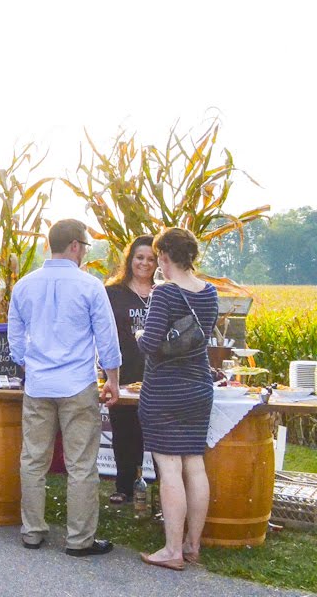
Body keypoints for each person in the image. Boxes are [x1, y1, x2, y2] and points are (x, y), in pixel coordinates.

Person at [8, 219, 121, 555]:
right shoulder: (90, 286)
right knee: (81, 464)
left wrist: (28, 364)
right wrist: (112, 380)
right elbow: (107, 338)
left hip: (39, 384)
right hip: (77, 384)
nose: (86, 252)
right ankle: (79, 539)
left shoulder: (25, 286)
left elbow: (14, 338)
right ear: (74, 245)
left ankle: (32, 531)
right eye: (85, 246)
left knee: (33, 459)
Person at [136, 227, 218, 570]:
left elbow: (149, 344)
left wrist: (139, 332)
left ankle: (171, 551)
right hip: (199, 387)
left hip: (165, 390)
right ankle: (192, 545)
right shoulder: (210, 292)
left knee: (169, 468)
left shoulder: (165, 293)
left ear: (165, 258)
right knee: (194, 464)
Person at [104, 235, 156, 504]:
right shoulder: (113, 293)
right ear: (129, 259)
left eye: (151, 259)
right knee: (124, 432)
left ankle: (161, 490)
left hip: (157, 374)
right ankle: (124, 486)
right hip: (123, 372)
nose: (144, 263)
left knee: (158, 434)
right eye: (139, 257)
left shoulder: (164, 292)